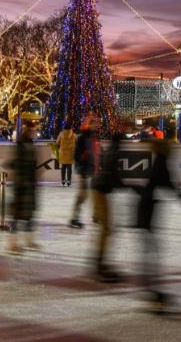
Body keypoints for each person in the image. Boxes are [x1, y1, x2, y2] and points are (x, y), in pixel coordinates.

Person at [136, 139, 181, 312]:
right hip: (146, 214)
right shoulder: (161, 164)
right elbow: (172, 187)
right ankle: (152, 293)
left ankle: (152, 291)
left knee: (151, 252)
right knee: (151, 253)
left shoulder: (160, 161)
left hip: (146, 212)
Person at [93, 128, 127, 282]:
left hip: (100, 189)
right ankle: (99, 265)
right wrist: (130, 187)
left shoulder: (112, 150)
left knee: (106, 229)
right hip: (100, 190)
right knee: (106, 229)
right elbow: (112, 174)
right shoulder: (114, 152)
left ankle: (100, 263)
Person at [8, 122, 39, 254]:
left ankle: (29, 240)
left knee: (29, 215)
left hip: (30, 184)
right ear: (27, 131)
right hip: (21, 184)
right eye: (32, 130)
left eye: (34, 130)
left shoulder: (31, 144)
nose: (34, 133)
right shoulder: (20, 144)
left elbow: (33, 166)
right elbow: (16, 163)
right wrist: (20, 181)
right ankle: (12, 243)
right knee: (16, 216)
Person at [71, 116, 100, 229]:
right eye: (93, 123)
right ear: (88, 124)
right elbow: (77, 155)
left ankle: (96, 216)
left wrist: (98, 166)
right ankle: (75, 218)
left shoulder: (95, 137)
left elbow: (96, 153)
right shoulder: (83, 137)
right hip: (84, 171)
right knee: (83, 195)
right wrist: (82, 168)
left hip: (93, 170)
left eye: (96, 123)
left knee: (96, 194)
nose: (95, 125)